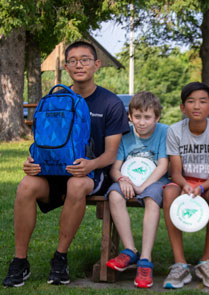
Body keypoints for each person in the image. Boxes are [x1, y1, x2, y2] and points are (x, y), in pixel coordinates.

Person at [2, 41, 130, 287]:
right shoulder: (54, 100)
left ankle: (60, 258)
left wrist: (90, 165)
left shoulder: (110, 103)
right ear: (66, 66)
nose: (79, 65)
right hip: (52, 171)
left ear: (97, 64)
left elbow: (111, 154)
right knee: (26, 186)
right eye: (73, 60)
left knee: (76, 185)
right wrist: (31, 162)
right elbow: (43, 143)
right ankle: (20, 261)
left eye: (85, 59)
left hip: (91, 174)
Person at [162, 82, 209, 289]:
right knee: (169, 194)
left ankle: (206, 262)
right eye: (191, 101)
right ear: (182, 108)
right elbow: (175, 172)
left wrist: (202, 188)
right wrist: (185, 185)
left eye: (202, 102)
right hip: (184, 181)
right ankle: (180, 264)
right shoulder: (175, 130)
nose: (196, 106)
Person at [105, 91, 169, 288]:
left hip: (155, 181)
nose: (142, 122)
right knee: (115, 194)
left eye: (147, 117)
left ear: (157, 117)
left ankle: (145, 259)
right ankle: (130, 250)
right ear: (130, 117)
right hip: (129, 180)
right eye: (137, 117)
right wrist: (122, 179)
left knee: (152, 200)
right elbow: (115, 168)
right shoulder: (125, 135)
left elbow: (163, 165)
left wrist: (143, 186)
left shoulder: (164, 132)